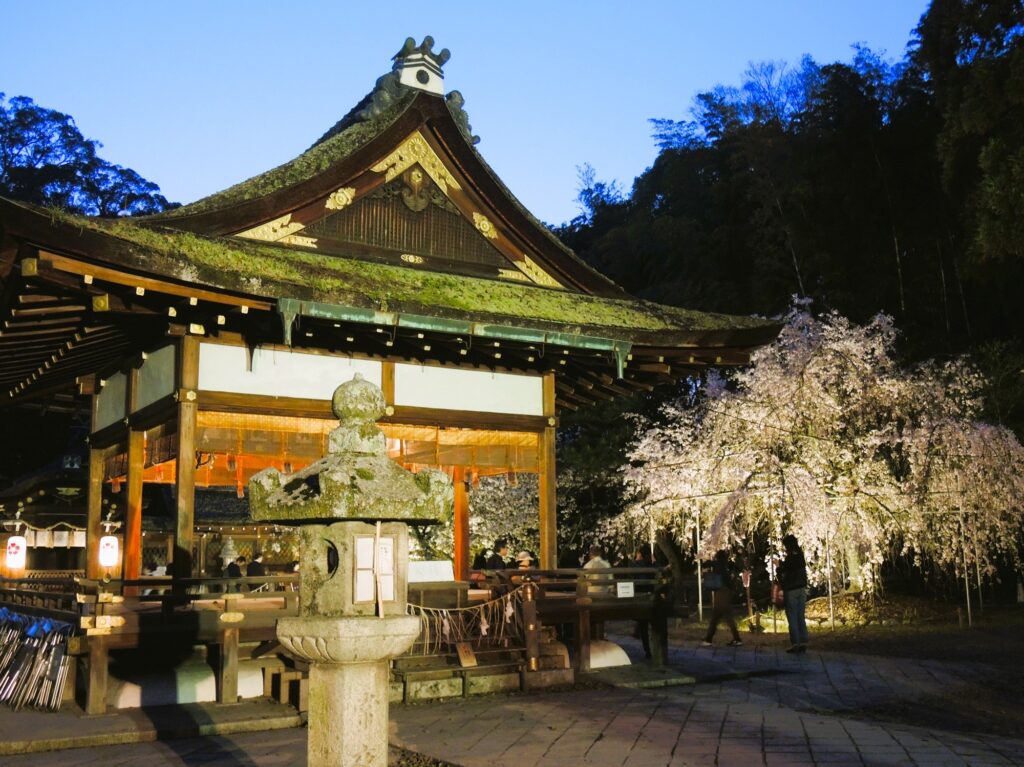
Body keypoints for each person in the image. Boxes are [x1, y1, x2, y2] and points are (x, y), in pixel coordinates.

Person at [701, 550, 743, 647]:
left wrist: (707, 560)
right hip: (726, 591)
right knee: (719, 617)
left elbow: (706, 564)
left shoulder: (717, 563)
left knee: (721, 616)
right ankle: (709, 638)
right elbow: (737, 569)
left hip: (721, 592)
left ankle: (709, 639)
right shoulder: (727, 564)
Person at [778, 534, 809, 653]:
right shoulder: (800, 556)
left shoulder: (790, 558)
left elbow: (784, 574)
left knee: (792, 616)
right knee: (800, 615)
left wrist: (779, 568)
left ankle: (795, 643)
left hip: (791, 590)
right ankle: (803, 641)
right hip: (801, 589)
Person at [632, 547, 654, 658]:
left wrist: (636, 559)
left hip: (640, 598)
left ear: (639, 554)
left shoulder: (635, 564)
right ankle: (654, 650)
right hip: (652, 598)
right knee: (652, 625)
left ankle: (647, 651)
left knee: (643, 626)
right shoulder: (652, 564)